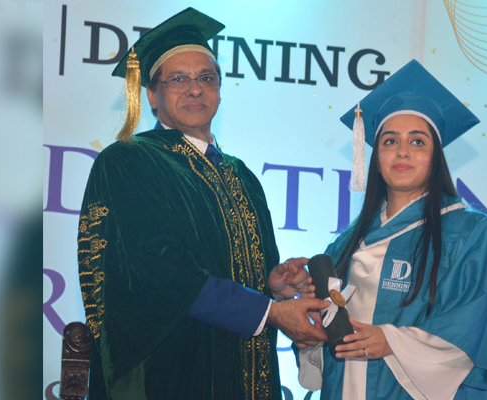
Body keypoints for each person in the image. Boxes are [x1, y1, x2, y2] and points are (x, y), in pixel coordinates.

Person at [77, 8, 328, 400]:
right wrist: (270, 314)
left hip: (244, 371)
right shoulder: (129, 161)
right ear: (151, 96)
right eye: (177, 79)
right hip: (171, 370)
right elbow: (159, 270)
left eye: (206, 78)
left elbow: (228, 271)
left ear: (220, 90)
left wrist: (272, 286)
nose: (195, 89)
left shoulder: (241, 175)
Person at [295, 60, 487, 400]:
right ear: (376, 158)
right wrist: (309, 330)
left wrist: (391, 341)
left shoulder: (473, 233)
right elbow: (328, 347)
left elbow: (468, 331)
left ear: (435, 155)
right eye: (389, 141)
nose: (401, 152)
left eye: (417, 142)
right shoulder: (344, 245)